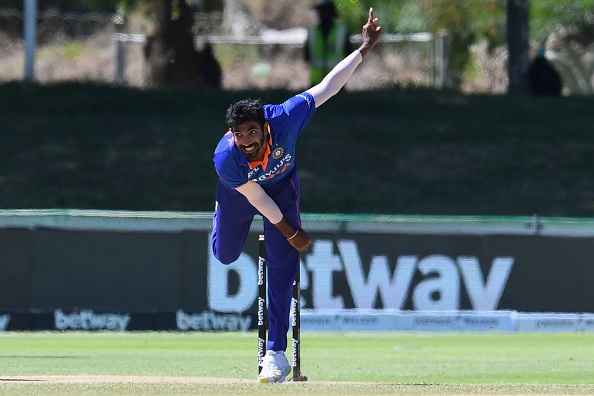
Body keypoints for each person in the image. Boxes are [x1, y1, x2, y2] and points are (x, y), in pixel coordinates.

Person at [211, 7, 381, 384]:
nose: (247, 141)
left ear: (264, 127)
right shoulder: (227, 159)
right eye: (240, 136)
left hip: (282, 186)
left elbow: (328, 87)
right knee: (224, 255)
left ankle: (275, 353)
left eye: (252, 132)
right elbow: (259, 201)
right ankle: (221, 220)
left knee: (281, 265)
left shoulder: (286, 117)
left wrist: (363, 50)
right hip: (243, 192)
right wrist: (291, 230)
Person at [305, 0, 353, 85]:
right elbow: (307, 57)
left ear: (332, 14)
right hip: (316, 82)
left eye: (324, 12)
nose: (321, 15)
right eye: (320, 12)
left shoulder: (342, 32)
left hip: (337, 82)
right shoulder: (312, 33)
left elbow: (349, 56)